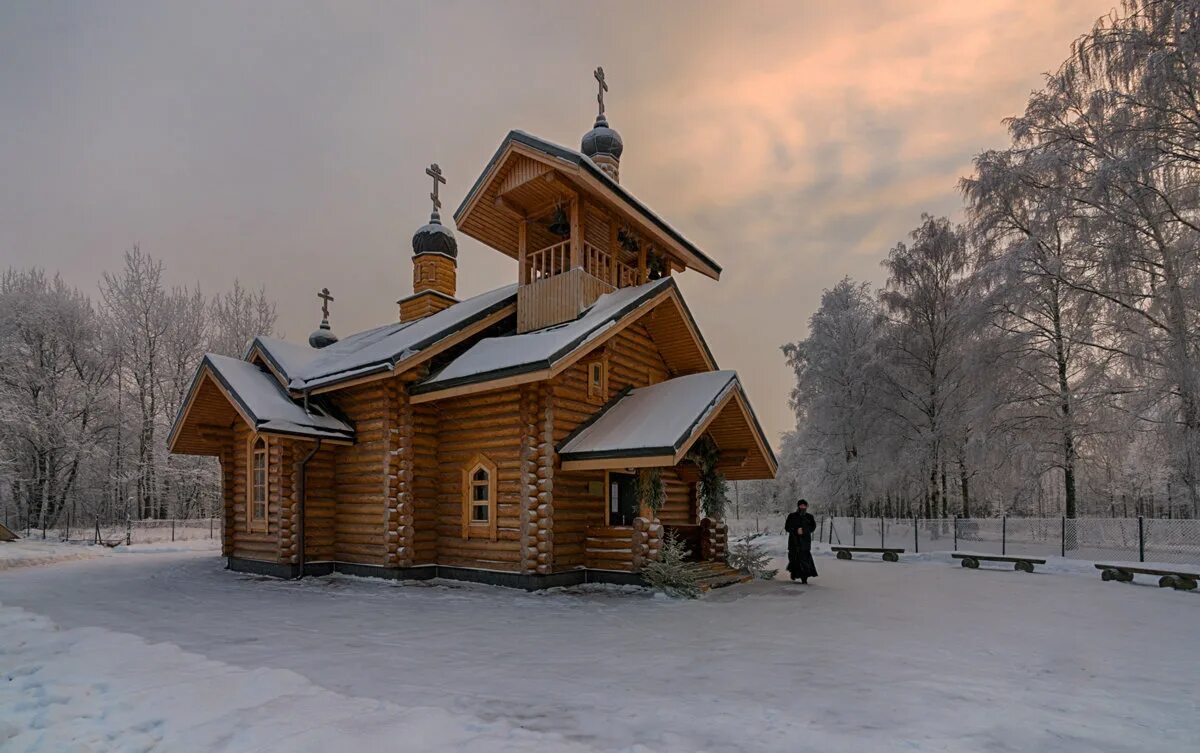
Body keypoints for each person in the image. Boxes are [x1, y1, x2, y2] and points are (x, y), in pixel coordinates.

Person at [784, 499, 818, 583]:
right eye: (801, 505)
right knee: (794, 558)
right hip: (794, 542)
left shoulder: (809, 517)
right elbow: (787, 527)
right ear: (798, 506)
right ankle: (794, 573)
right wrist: (795, 530)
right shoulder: (792, 516)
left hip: (805, 543)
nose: (802, 507)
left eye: (804, 505)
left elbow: (812, 527)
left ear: (806, 507)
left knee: (805, 560)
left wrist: (804, 530)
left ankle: (804, 578)